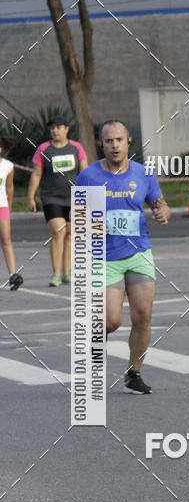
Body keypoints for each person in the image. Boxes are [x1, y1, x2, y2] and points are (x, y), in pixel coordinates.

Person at [76, 120, 170, 394]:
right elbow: (77, 215)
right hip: (105, 257)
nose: (114, 145)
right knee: (111, 321)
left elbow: (159, 203)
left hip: (139, 251)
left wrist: (163, 212)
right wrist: (88, 225)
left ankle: (133, 373)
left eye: (119, 140)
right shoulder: (89, 176)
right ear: (101, 145)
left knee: (143, 315)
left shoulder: (143, 173)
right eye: (108, 141)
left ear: (129, 142)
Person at [27, 115, 88, 286]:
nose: (55, 130)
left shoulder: (76, 148)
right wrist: (30, 196)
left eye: (59, 127)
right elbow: (37, 174)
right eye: (52, 127)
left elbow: (84, 172)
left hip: (74, 197)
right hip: (51, 197)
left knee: (70, 234)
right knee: (58, 231)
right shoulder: (43, 149)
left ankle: (67, 272)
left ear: (66, 129)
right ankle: (56, 274)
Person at [0, 137, 23, 291]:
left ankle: (13, 275)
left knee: (6, 240)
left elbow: (9, 187)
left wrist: (8, 206)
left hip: (1, 206)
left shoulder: (7, 166)